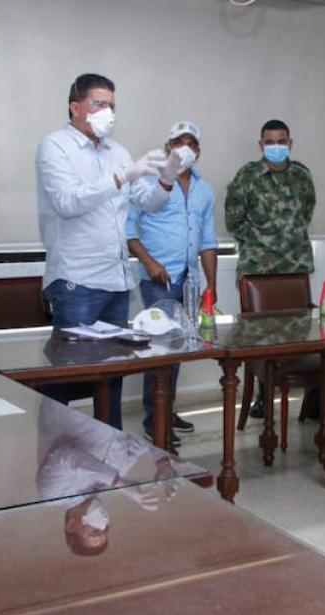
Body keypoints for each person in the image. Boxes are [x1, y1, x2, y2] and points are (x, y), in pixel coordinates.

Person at [35, 72, 185, 429]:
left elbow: (147, 203)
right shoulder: (55, 146)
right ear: (76, 108)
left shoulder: (118, 151)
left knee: (112, 376)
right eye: (99, 104)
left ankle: (109, 452)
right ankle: (58, 451)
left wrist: (166, 178)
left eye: (112, 105)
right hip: (77, 279)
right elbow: (67, 202)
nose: (108, 112)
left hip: (116, 281)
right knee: (68, 378)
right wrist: (121, 177)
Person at [126, 120, 218, 443]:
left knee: (177, 347)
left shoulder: (204, 189)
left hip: (189, 279)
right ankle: (155, 419)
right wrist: (149, 263)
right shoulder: (149, 182)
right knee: (160, 347)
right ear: (168, 147)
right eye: (179, 141)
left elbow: (208, 239)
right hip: (158, 279)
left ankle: (168, 408)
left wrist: (212, 284)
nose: (185, 148)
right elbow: (129, 229)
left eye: (192, 143)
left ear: (199, 151)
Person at [225, 118, 317, 419]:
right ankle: (264, 398)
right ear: (260, 144)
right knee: (262, 340)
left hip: (294, 267)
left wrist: (284, 241)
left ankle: (313, 403)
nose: (275, 146)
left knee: (300, 334)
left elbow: (306, 211)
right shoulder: (247, 176)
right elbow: (233, 220)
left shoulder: (302, 175)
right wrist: (264, 242)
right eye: (269, 141)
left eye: (281, 141)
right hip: (259, 268)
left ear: (290, 144)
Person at [35, 402, 190, 556]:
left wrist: (119, 483)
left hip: (72, 395)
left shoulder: (53, 494)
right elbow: (138, 440)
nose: (102, 524)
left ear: (71, 525)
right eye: (105, 529)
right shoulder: (113, 475)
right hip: (109, 391)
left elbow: (66, 455)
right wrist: (161, 462)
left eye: (94, 532)